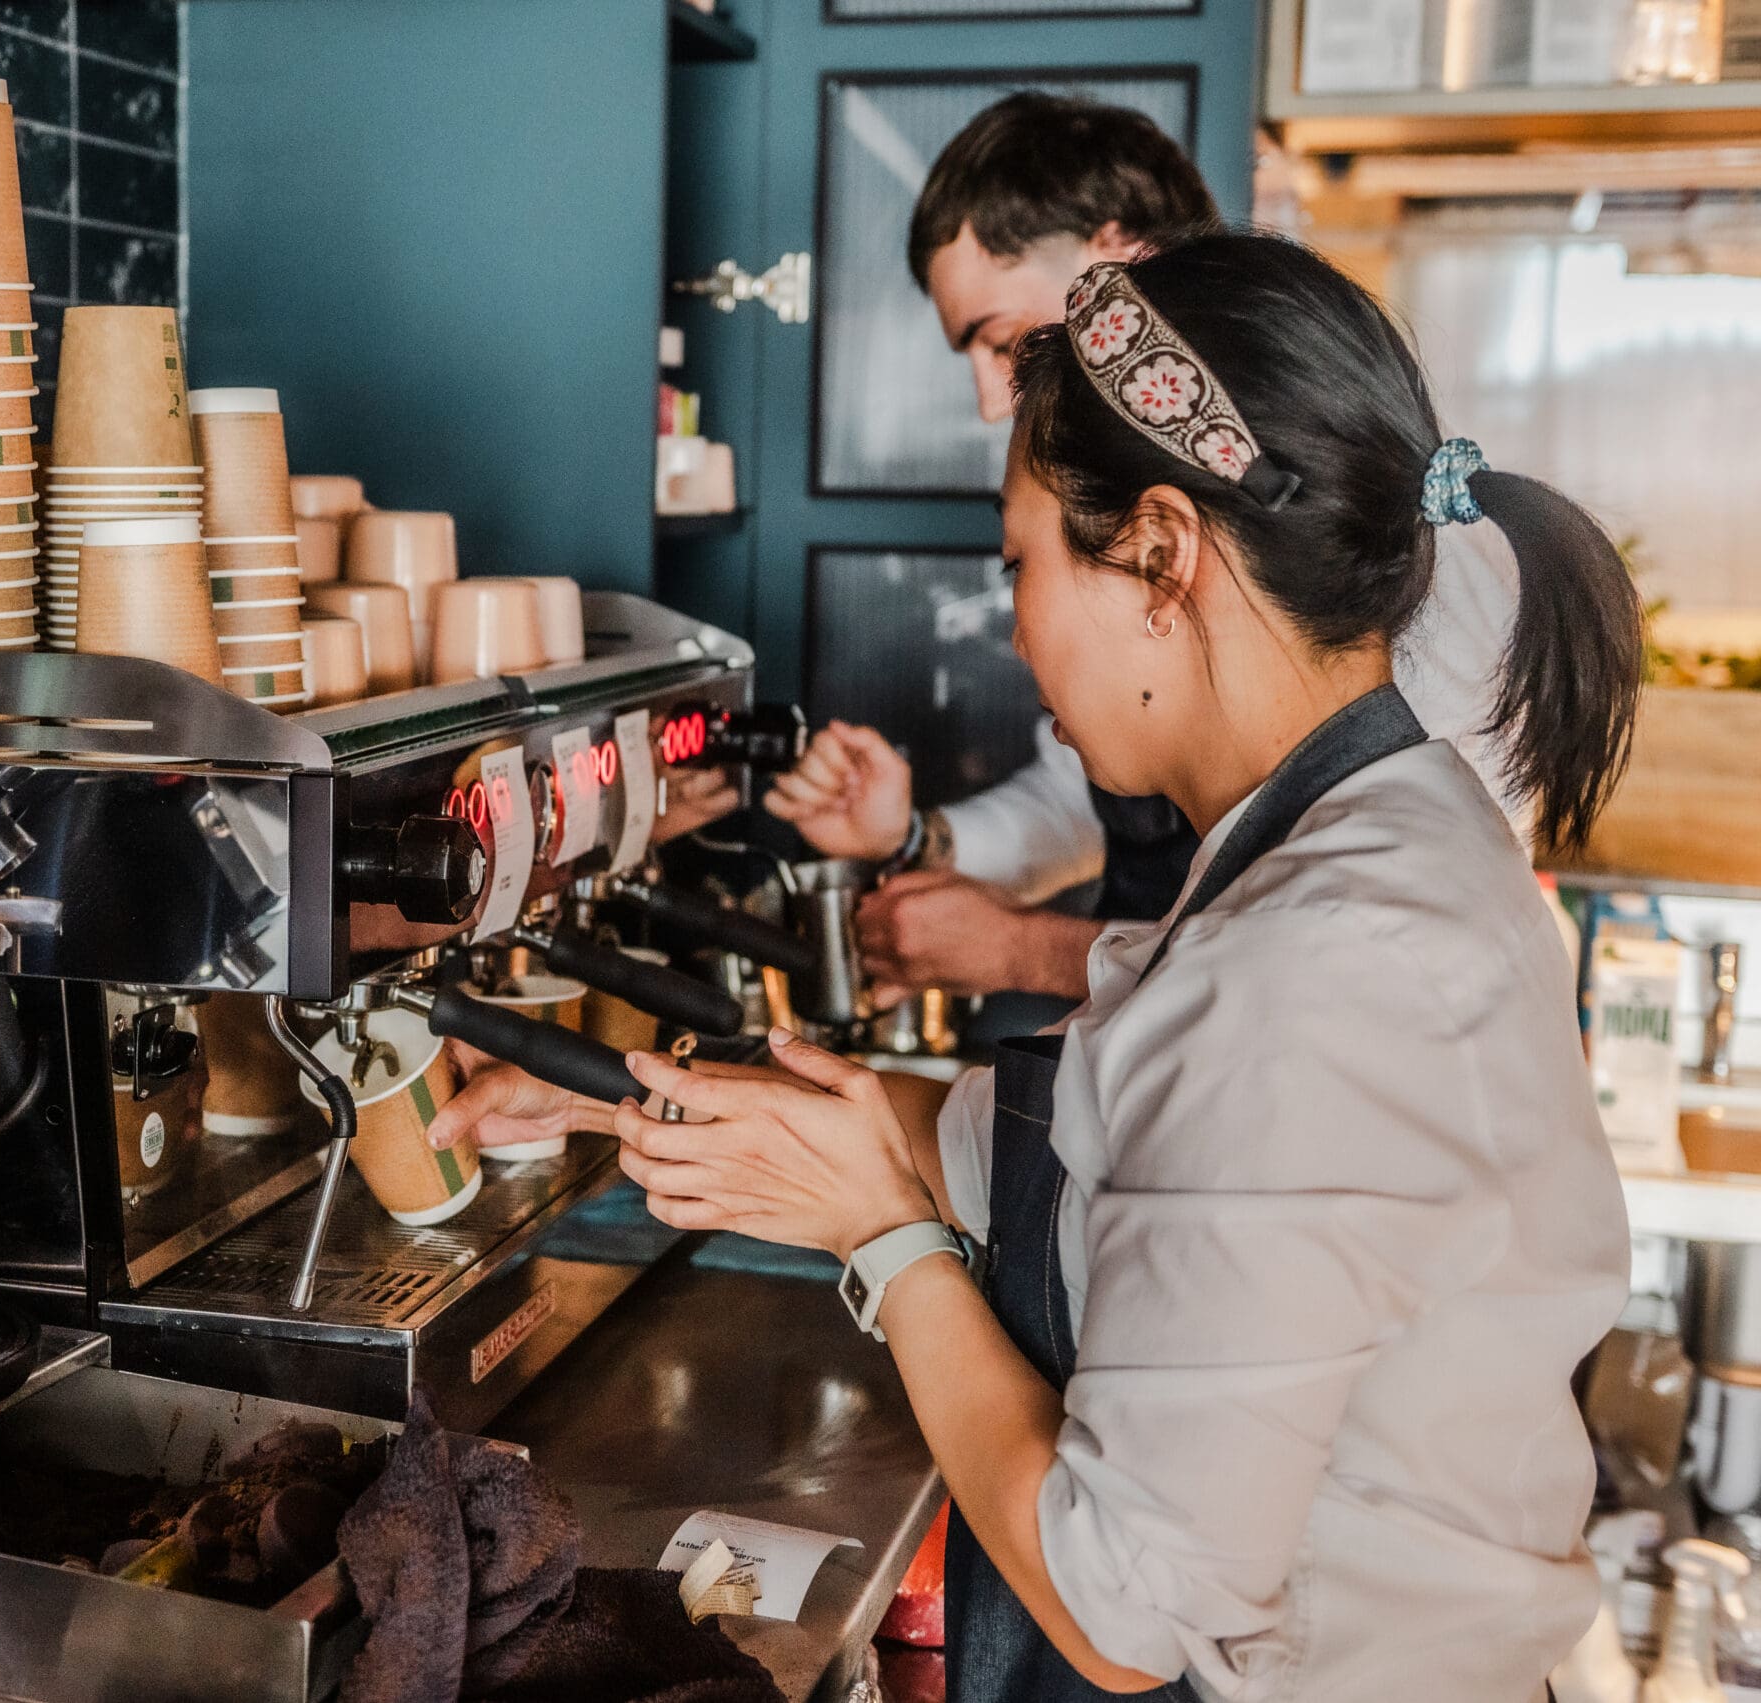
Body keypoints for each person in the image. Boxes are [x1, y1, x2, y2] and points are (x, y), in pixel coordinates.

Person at [603, 232, 1635, 1699]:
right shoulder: (1352, 830)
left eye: (1022, 562)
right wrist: (615, 1100)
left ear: (1160, 554)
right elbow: (1046, 1140)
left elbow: (1126, 1602)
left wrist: (884, 1245)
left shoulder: (1314, 963)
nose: (1021, 627)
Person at [765, 92, 1522, 1004]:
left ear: (1121, 260)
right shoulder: (1143, 548)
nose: (989, 401)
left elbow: (1368, 943)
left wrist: (1023, 951)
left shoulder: (1368, 526)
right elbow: (1094, 799)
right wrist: (919, 840)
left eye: (1005, 339)